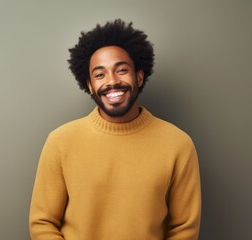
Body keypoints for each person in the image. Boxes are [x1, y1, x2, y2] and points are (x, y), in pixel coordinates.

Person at [29, 19, 201, 240]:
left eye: (121, 70)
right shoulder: (60, 141)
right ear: (90, 85)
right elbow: (42, 222)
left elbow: (184, 229)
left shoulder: (178, 144)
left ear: (139, 76)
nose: (112, 81)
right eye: (100, 74)